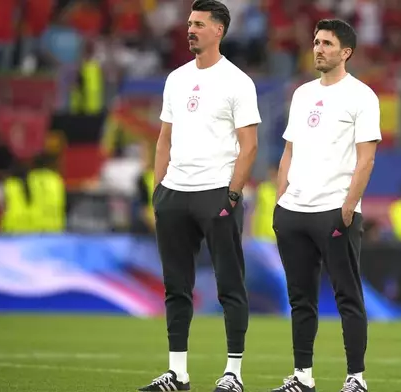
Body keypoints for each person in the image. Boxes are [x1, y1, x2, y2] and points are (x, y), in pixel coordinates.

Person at [138, 1, 261, 391]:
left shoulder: (238, 82)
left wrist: (232, 195)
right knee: (176, 286)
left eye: (199, 24)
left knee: (230, 286)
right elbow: (164, 139)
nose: (190, 29)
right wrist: (159, 190)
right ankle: (178, 373)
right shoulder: (175, 78)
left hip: (215, 194)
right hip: (174, 194)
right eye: (189, 23)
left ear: (219, 30)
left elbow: (250, 146)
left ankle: (233, 374)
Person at [270, 19, 381, 392]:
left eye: (327, 43)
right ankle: (303, 376)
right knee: (300, 300)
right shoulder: (301, 94)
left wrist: (348, 205)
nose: (318, 48)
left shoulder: (362, 96)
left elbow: (366, 159)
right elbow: (288, 150)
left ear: (345, 52)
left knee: (347, 296)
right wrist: (280, 201)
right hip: (294, 211)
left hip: (335, 210)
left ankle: (356, 378)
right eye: (316, 42)